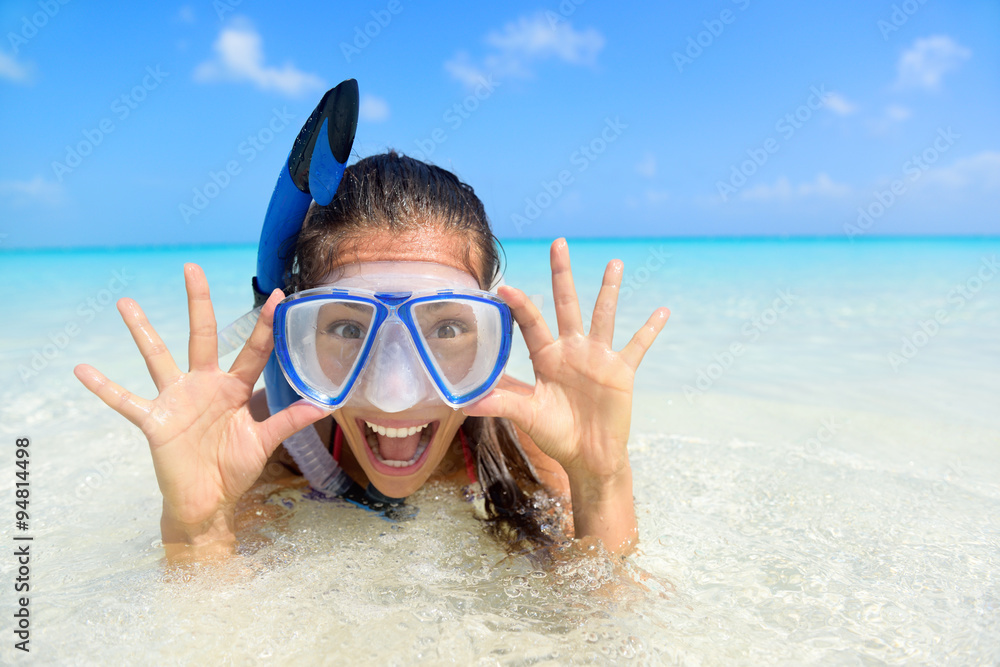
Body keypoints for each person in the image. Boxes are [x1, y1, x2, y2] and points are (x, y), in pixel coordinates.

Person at [73, 151, 669, 559]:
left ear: (494, 337)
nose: (395, 388)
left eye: (447, 330)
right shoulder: (255, 447)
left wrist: (601, 478)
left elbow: (604, 632)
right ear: (295, 339)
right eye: (348, 330)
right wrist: (197, 529)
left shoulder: (525, 443)